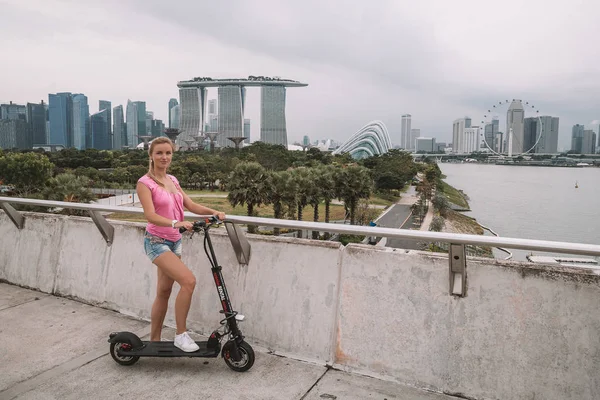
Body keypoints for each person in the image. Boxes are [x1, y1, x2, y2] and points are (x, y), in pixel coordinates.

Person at [136, 137, 226, 352]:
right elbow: (150, 215)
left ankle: (154, 341)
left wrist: (214, 212)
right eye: (159, 153)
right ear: (151, 155)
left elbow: (191, 205)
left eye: (168, 153)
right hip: (156, 241)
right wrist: (177, 223)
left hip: (175, 241)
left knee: (164, 292)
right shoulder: (144, 183)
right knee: (188, 281)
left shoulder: (173, 180)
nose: (164, 157)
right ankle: (181, 335)